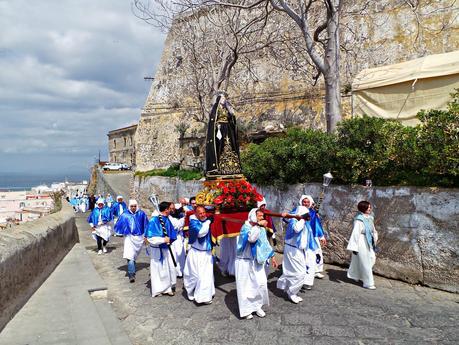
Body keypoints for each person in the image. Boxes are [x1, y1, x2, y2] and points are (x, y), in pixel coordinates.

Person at [235, 208, 278, 320]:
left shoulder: (260, 228)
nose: (262, 218)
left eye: (262, 216)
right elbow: (251, 239)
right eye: (259, 216)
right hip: (244, 261)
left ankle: (257, 306)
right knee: (245, 287)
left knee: (260, 283)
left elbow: (264, 243)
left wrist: (272, 256)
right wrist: (258, 225)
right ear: (253, 216)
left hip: (256, 261)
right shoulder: (246, 228)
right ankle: (246, 310)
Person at [277, 206, 316, 303]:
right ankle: (291, 292)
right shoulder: (294, 221)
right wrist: (301, 219)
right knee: (300, 273)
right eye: (305, 214)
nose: (307, 217)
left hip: (299, 250)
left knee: (299, 272)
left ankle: (290, 289)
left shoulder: (304, 222)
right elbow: (296, 229)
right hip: (292, 250)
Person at [144, 201, 177, 297]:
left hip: (166, 249)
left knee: (167, 268)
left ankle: (167, 288)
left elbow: (172, 233)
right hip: (156, 250)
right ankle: (158, 290)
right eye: (169, 208)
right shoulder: (154, 220)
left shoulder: (167, 219)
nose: (171, 210)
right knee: (157, 269)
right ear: (166, 209)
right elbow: (150, 238)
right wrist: (163, 239)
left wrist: (169, 240)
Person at [183, 206, 215, 304]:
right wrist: (208, 222)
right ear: (196, 214)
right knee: (194, 276)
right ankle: (191, 291)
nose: (202, 215)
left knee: (206, 276)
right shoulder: (193, 222)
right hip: (196, 253)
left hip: (207, 253)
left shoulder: (207, 220)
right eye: (200, 213)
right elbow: (201, 233)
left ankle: (204, 297)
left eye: (204, 212)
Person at [114, 200, 149, 283]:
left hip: (139, 238)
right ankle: (131, 274)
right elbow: (119, 223)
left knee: (134, 256)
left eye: (135, 206)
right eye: (132, 206)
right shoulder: (125, 215)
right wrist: (124, 230)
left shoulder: (141, 214)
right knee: (129, 256)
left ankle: (132, 265)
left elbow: (146, 225)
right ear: (129, 206)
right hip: (129, 238)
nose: (133, 208)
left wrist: (146, 236)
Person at [347, 201, 378, 290]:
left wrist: (375, 236)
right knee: (366, 262)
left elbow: (373, 229)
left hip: (369, 241)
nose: (370, 209)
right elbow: (355, 233)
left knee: (372, 258)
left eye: (370, 207)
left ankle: (357, 275)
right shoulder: (359, 219)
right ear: (363, 208)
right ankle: (368, 283)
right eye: (368, 207)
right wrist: (354, 247)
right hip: (361, 241)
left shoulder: (370, 218)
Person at [300, 195, 326, 279]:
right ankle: (303, 270)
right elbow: (289, 219)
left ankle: (316, 270)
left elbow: (317, 224)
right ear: (301, 202)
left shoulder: (313, 213)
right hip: (301, 236)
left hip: (313, 236)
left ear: (310, 203)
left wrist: (321, 236)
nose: (306, 203)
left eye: (308, 202)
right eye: (304, 202)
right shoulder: (298, 210)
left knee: (317, 252)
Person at [168, 202, 186, 278]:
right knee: (172, 255)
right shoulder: (168, 217)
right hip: (171, 238)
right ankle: (174, 271)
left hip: (178, 237)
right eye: (170, 208)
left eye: (173, 208)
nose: (172, 210)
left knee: (180, 254)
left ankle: (181, 271)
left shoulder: (178, 215)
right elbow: (176, 225)